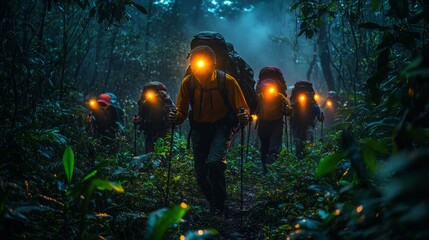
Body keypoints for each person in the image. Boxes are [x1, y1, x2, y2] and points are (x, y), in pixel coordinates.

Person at [168, 45, 249, 215]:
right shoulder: (188, 83)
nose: (198, 69)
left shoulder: (227, 81)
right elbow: (181, 112)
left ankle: (218, 205)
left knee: (214, 163)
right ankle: (214, 201)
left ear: (213, 65)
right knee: (200, 175)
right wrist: (176, 117)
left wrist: (244, 116)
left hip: (222, 126)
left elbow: (242, 108)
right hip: (200, 128)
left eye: (202, 65)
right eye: (195, 65)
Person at [255, 75, 291, 174]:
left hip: (276, 124)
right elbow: (254, 109)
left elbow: (288, 111)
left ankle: (270, 169)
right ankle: (265, 168)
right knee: (264, 147)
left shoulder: (279, 96)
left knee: (274, 148)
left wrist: (287, 108)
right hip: (263, 124)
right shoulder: (259, 97)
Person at [133, 82, 175, 153]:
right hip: (149, 130)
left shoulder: (165, 99)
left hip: (163, 129)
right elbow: (141, 114)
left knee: (162, 152)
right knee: (150, 153)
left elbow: (171, 110)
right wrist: (137, 120)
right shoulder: (144, 101)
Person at [289, 81, 324, 159]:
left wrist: (320, 117)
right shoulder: (295, 104)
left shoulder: (313, 105)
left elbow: (318, 114)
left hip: (307, 123)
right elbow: (290, 113)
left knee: (309, 137)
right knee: (299, 141)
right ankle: (300, 158)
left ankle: (307, 156)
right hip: (297, 124)